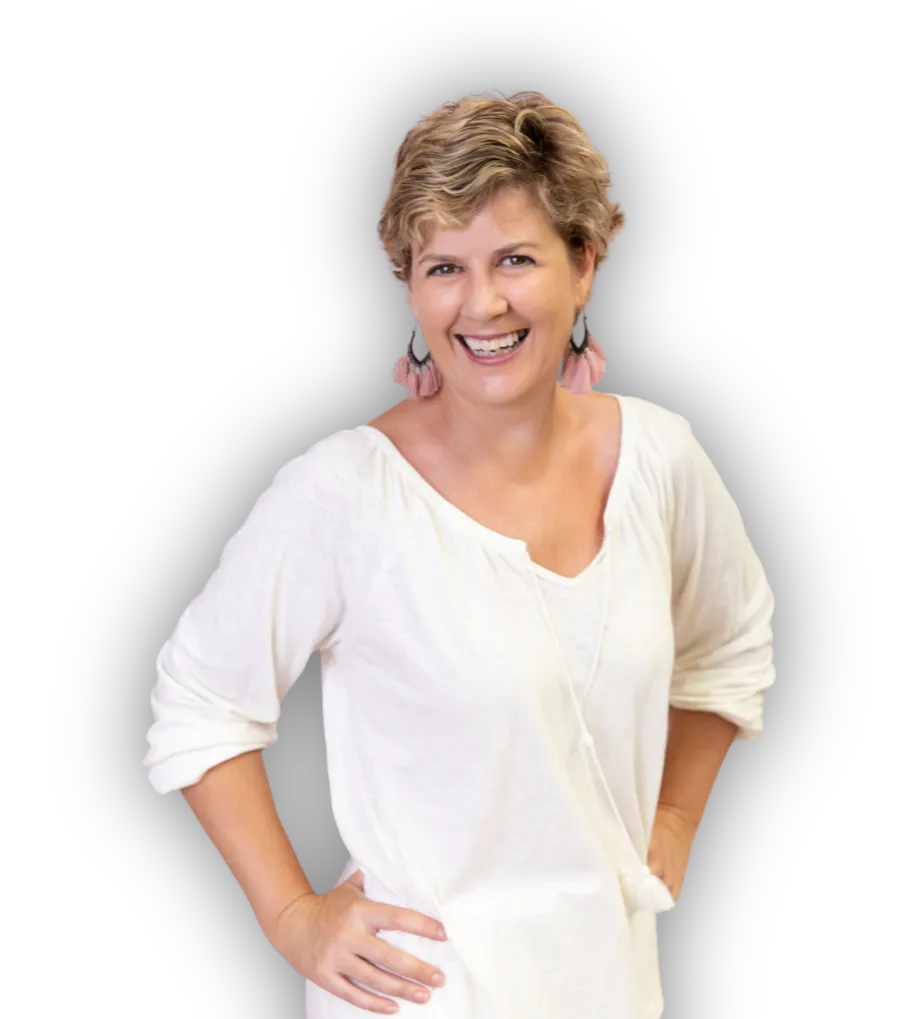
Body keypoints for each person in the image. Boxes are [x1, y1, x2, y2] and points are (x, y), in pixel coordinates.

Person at [142, 88, 776, 1018]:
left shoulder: (659, 458)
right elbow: (200, 703)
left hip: (612, 988)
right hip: (418, 998)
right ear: (408, 284)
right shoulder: (343, 492)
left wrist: (674, 815)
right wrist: (291, 916)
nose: (482, 303)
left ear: (583, 263)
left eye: (515, 258)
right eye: (444, 266)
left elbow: (728, 643)